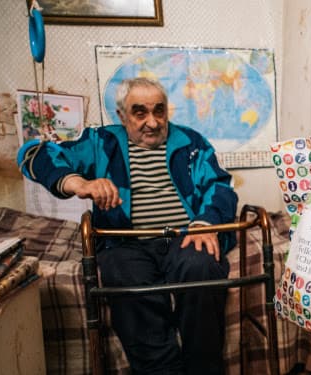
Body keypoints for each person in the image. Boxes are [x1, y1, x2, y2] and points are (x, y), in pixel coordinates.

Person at [18, 77, 238, 374]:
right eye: (140, 112)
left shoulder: (191, 143)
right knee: (123, 274)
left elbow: (219, 185)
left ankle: (203, 368)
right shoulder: (100, 142)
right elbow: (33, 153)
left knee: (201, 267)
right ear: (122, 116)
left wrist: (206, 221)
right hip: (125, 243)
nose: (152, 121)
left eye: (159, 111)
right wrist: (77, 182)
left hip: (184, 235)